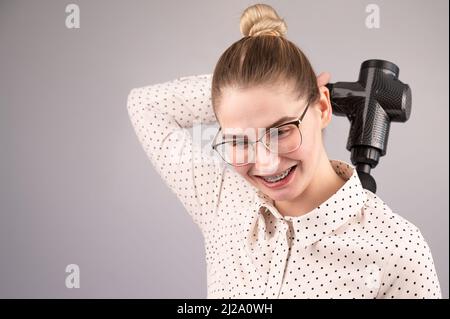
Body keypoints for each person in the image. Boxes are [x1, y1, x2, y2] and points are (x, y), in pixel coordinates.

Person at [127, 3, 441, 299]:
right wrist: (239, 84)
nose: (265, 163)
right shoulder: (221, 196)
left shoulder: (397, 249)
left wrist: (285, 85)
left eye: (281, 131)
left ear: (322, 106)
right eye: (238, 140)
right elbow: (146, 106)